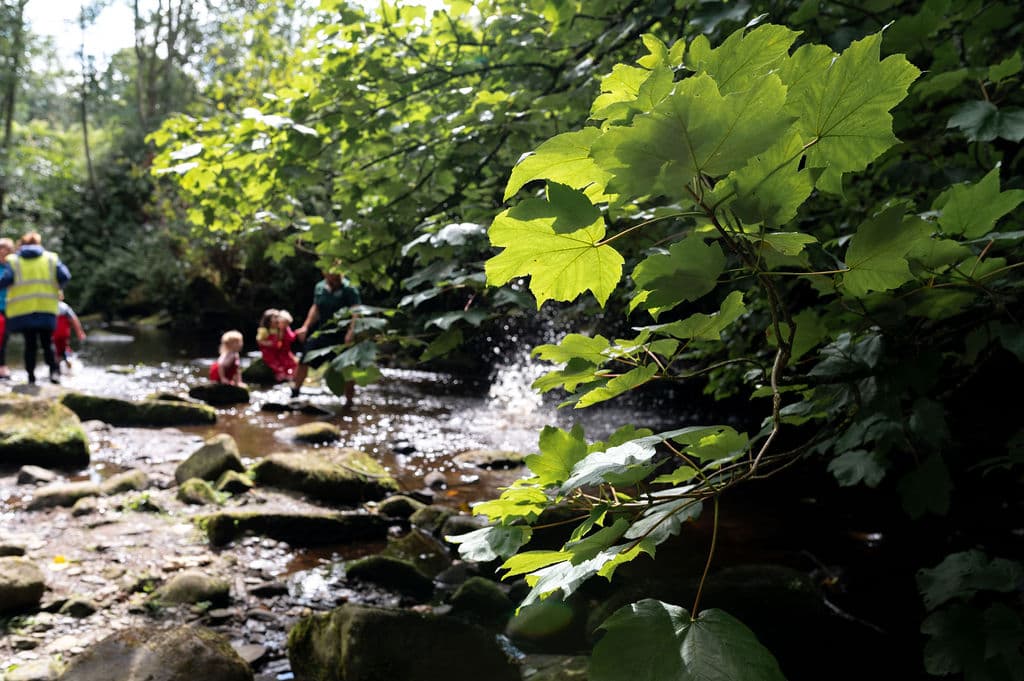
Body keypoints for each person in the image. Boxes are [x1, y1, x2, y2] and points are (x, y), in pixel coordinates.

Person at [0, 232, 70, 384]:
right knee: (47, 343)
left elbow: (4, 281)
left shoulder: (14, 260)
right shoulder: (51, 258)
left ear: (22, 244)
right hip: (47, 308)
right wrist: (58, 288)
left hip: (23, 310)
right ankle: (54, 373)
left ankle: (31, 377)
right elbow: (65, 276)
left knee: (30, 344)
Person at [292, 268, 360, 401]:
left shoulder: (350, 289)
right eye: (330, 275)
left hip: (342, 335)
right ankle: (295, 392)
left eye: (336, 275)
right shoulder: (320, 287)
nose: (333, 278)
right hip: (323, 332)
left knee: (347, 368)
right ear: (325, 274)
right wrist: (305, 327)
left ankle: (349, 401)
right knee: (304, 359)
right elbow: (316, 308)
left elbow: (355, 312)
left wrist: (351, 333)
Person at [257, 308, 298, 382]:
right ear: (268, 319)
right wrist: (268, 343)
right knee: (275, 364)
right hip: (268, 352)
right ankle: (279, 375)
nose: (277, 319)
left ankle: (288, 374)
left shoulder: (278, 329)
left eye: (278, 317)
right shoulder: (264, 330)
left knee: (289, 362)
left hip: (277, 351)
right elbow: (259, 341)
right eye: (275, 317)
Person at [53, 290, 87, 372]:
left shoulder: (50, 307)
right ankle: (67, 360)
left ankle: (57, 369)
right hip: (64, 333)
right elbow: (74, 320)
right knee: (64, 347)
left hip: (53, 333)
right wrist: (80, 332)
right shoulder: (65, 307)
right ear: (62, 297)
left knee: (55, 350)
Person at [0, 237, 13, 380]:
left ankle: (2, 366)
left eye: (6, 251)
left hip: (9, 308)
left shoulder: (13, 267)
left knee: (4, 338)